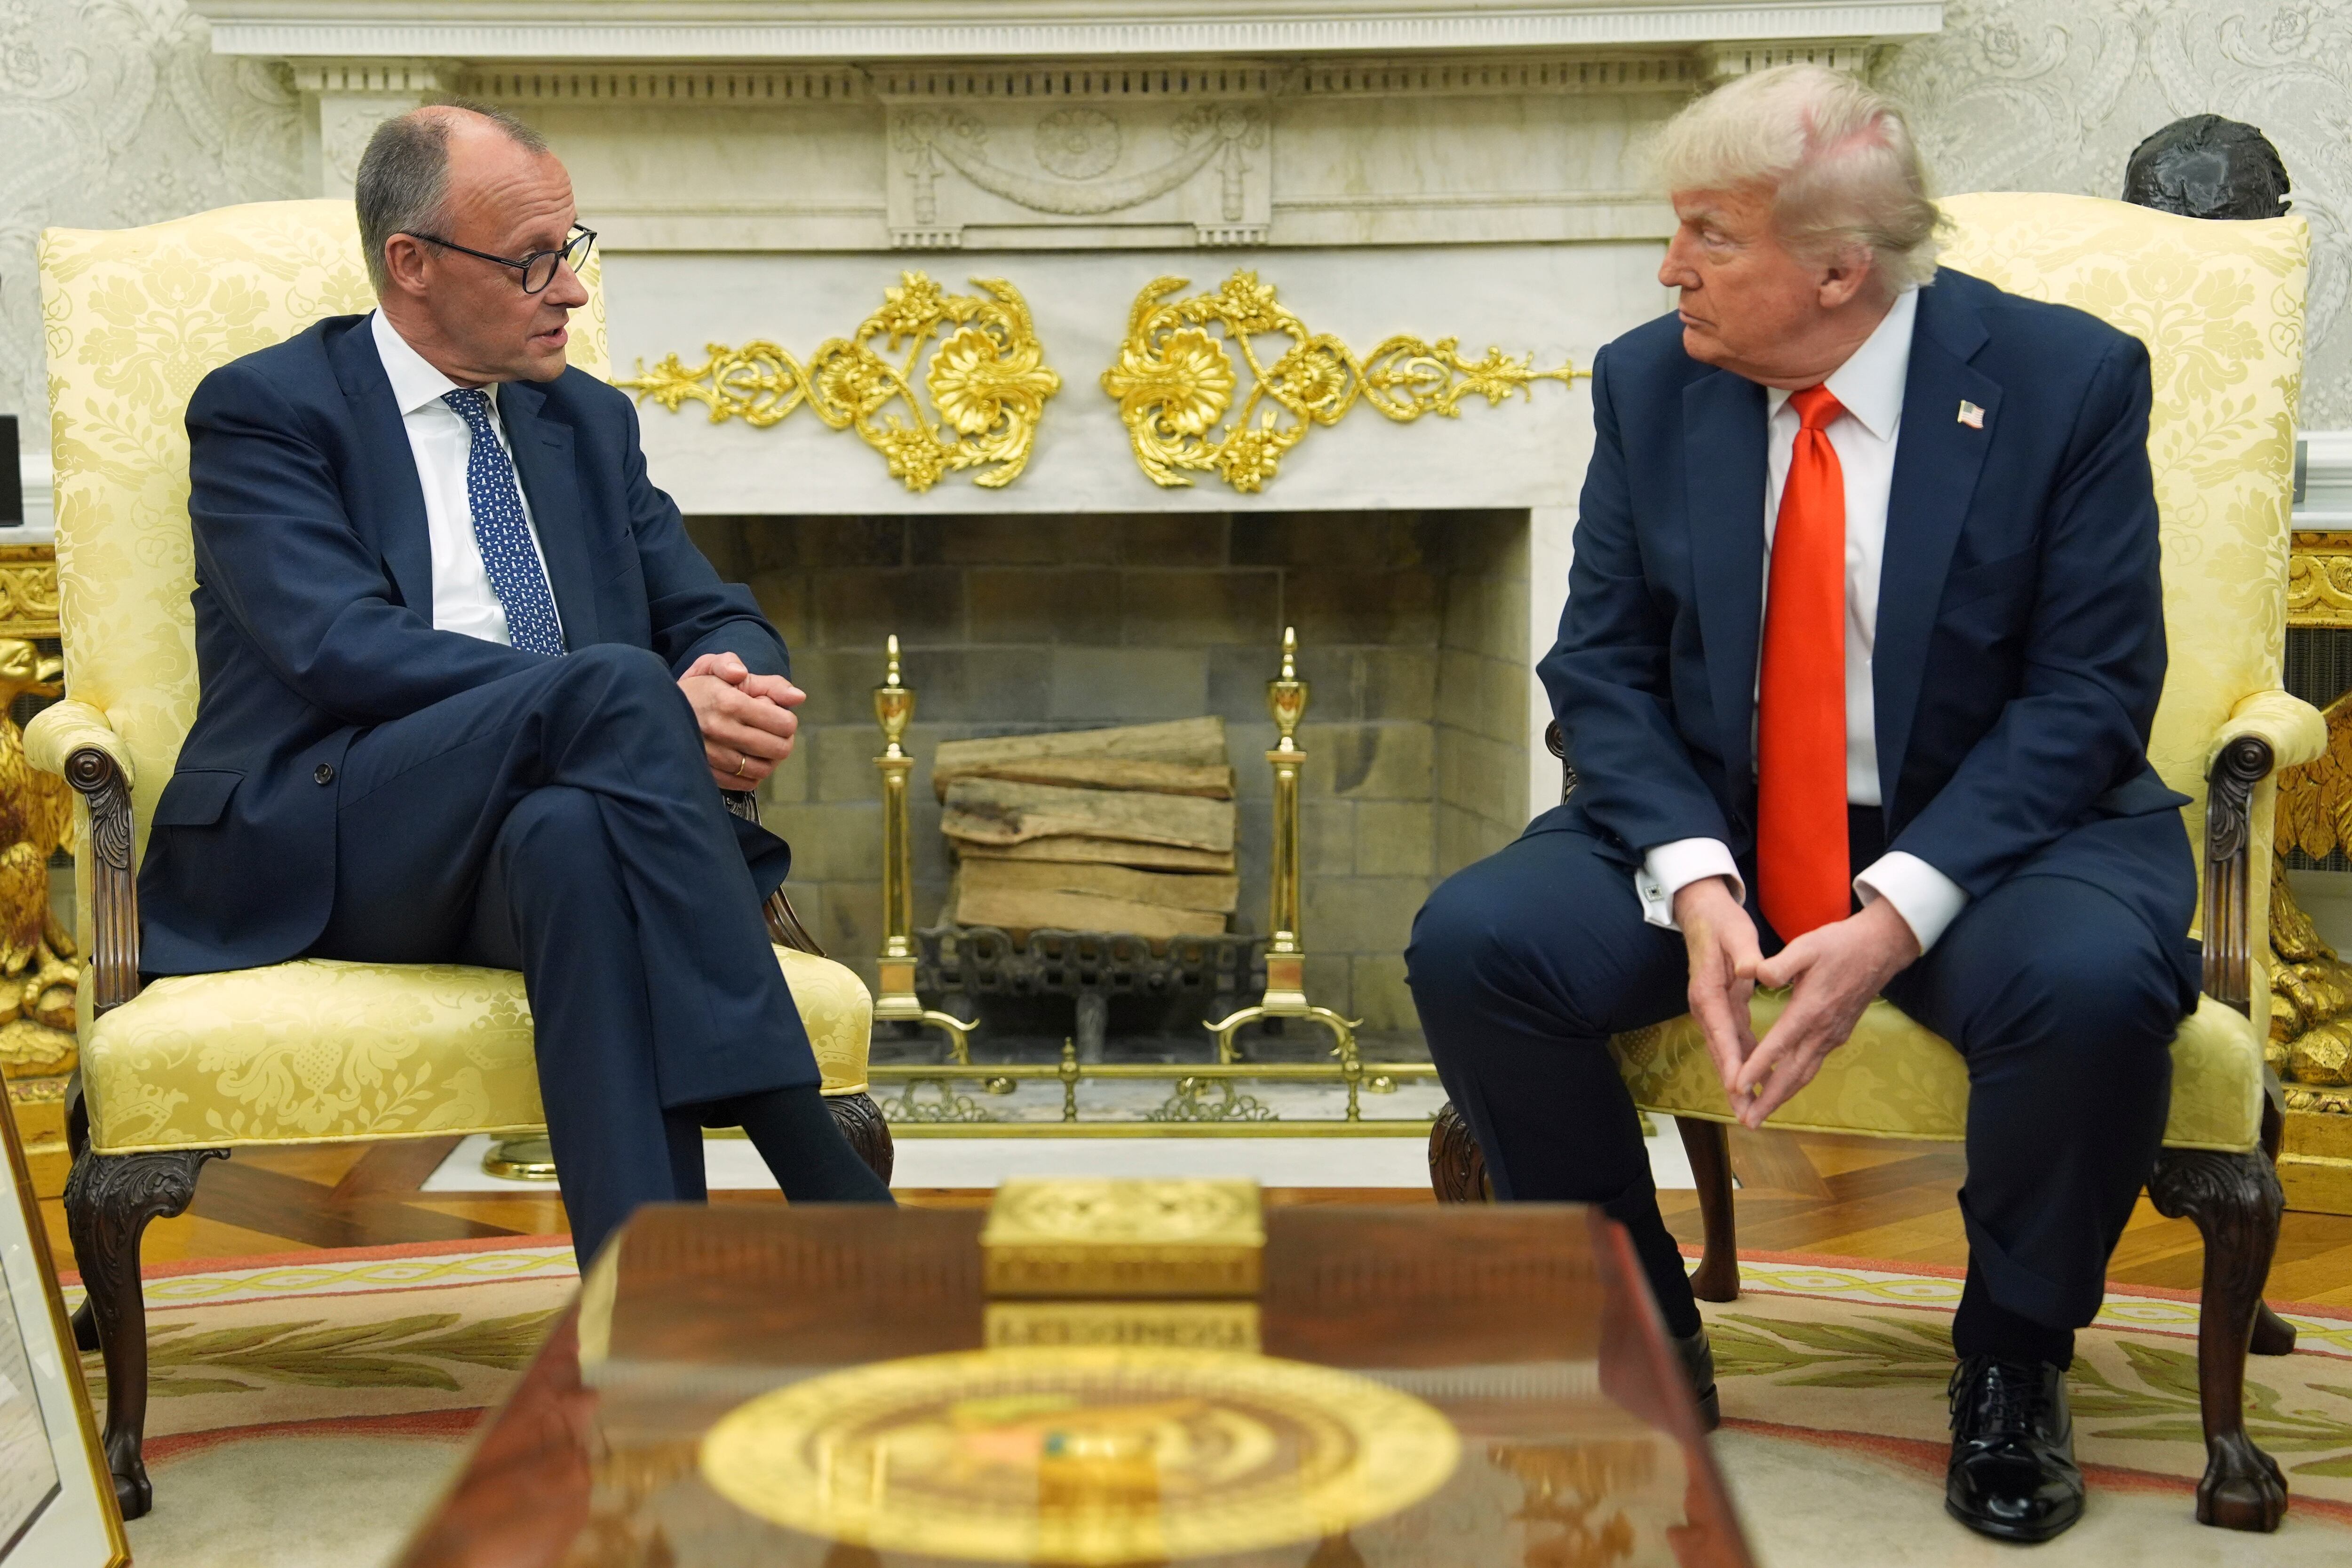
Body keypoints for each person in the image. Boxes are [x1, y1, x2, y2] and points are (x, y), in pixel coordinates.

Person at [1406, 64, 2194, 1544]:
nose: (1669, 268)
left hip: (1995, 830)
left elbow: (2089, 694)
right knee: (1478, 941)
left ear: (1839, 270)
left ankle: (2014, 1358)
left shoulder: (2066, 381)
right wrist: (1698, 878)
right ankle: (1638, 1318)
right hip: (1725, 818)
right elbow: (1602, 662)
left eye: (1710, 233)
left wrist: (1894, 914)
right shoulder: (1654, 379)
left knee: (2091, 985)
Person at [152, 103, 893, 1266]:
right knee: (609, 688)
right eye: (533, 261)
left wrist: (735, 684)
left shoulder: (584, 422)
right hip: (333, 831)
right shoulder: (268, 410)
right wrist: (637, 701)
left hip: (536, 836)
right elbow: (339, 646)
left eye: (573, 249)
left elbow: (712, 609)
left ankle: (648, 1310)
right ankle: (809, 1153)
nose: (572, 292)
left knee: (574, 840)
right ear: (413, 264)